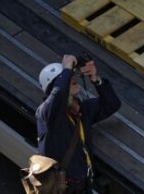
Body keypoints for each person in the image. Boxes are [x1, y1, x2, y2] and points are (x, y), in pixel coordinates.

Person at [36, 54, 120, 193]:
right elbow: (58, 95)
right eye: (69, 78)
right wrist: (67, 67)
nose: (73, 78)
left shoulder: (80, 110)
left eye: (73, 75)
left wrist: (95, 79)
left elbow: (112, 104)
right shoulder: (47, 114)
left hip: (82, 186)